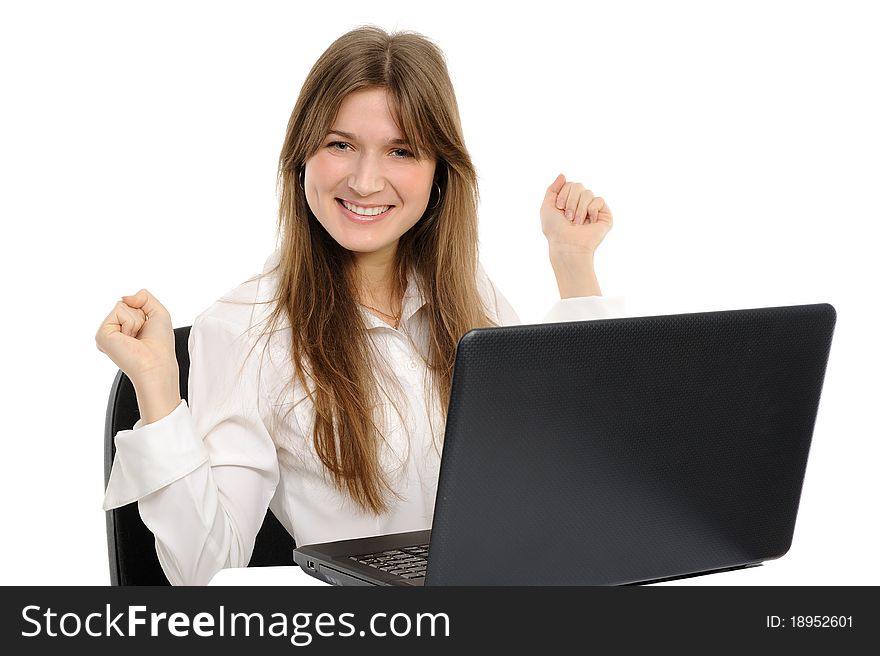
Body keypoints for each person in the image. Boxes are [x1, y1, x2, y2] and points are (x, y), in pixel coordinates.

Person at [96, 26, 625, 585]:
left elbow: (575, 483)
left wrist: (574, 267)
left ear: (439, 172)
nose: (367, 181)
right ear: (302, 155)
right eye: (340, 144)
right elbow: (202, 568)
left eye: (401, 151)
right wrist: (157, 388)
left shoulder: (468, 294)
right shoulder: (242, 327)